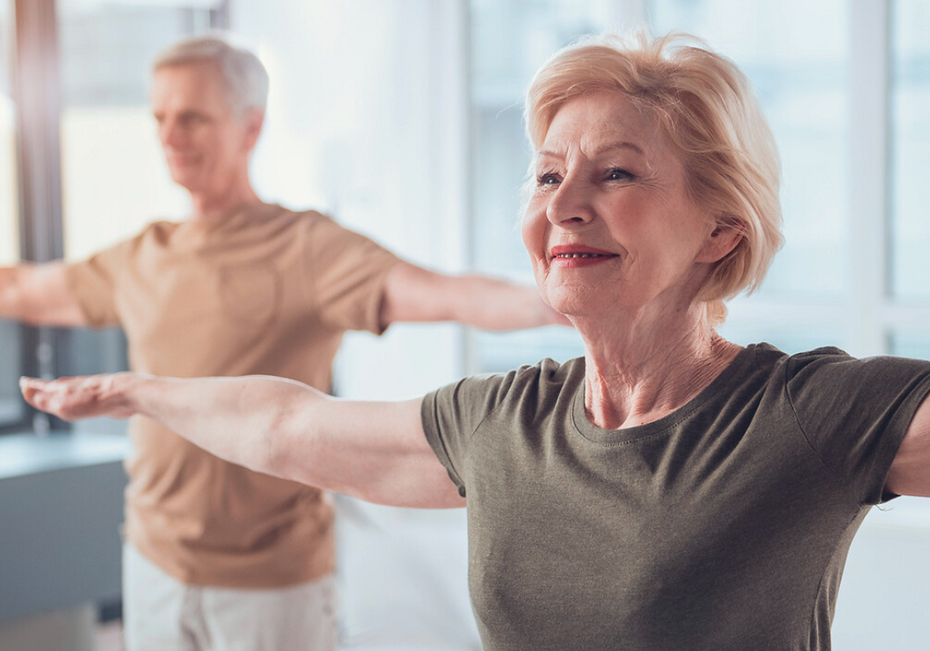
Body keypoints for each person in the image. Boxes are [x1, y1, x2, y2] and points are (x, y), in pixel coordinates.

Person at [20, 30, 930, 650]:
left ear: (721, 230)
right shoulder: (507, 422)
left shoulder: (803, 414)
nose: (563, 203)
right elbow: (287, 427)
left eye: (616, 173)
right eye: (545, 174)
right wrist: (143, 391)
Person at [0, 35, 565, 651]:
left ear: (250, 128)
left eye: (192, 117)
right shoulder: (142, 254)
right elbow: (24, 288)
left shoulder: (307, 248)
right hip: (152, 559)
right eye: (160, 117)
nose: (170, 135)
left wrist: (567, 297)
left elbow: (450, 294)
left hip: (272, 583)